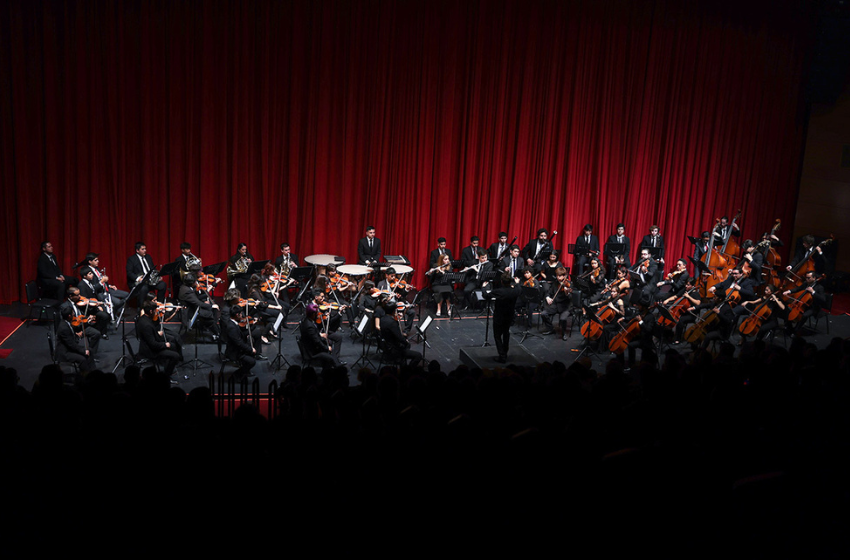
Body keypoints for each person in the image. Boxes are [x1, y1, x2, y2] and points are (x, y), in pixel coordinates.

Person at [137, 299, 184, 377]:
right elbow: (153, 344)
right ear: (151, 311)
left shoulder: (144, 319)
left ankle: (168, 366)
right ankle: (166, 375)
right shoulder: (147, 325)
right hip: (150, 350)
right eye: (155, 310)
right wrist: (165, 345)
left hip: (150, 344)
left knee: (174, 345)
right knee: (175, 355)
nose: (157, 312)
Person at [485, 273, 522, 363]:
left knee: (497, 336)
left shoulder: (499, 291)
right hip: (509, 316)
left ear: (501, 282)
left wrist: (483, 287)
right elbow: (519, 288)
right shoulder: (515, 290)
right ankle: (504, 352)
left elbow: (486, 296)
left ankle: (502, 355)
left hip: (499, 316)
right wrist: (517, 283)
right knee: (506, 333)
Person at [783, 270, 827, 336]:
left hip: (813, 307)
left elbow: (823, 299)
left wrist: (813, 292)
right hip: (802, 305)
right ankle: (789, 328)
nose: (807, 279)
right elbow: (798, 289)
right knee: (787, 309)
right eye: (806, 278)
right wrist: (789, 291)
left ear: (814, 278)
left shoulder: (819, 288)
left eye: (808, 278)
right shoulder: (805, 283)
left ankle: (795, 331)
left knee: (804, 315)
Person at [178, 274, 221, 340]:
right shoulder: (187, 291)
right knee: (209, 313)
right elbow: (198, 303)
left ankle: (213, 330)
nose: (197, 282)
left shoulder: (185, 287)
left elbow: (196, 298)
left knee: (210, 310)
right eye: (195, 281)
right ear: (191, 283)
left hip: (192, 307)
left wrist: (207, 291)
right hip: (190, 312)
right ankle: (216, 333)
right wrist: (212, 306)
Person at [55, 307, 97, 372]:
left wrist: (75, 334)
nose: (74, 314)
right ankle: (85, 375)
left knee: (90, 350)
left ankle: (93, 372)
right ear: (69, 316)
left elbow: (69, 336)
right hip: (65, 352)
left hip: (69, 347)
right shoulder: (64, 328)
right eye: (72, 313)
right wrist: (83, 351)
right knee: (82, 359)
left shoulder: (66, 322)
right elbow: (71, 344)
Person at [300, 303, 341, 369]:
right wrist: (326, 348)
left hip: (312, 346)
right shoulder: (309, 326)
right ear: (313, 314)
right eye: (316, 313)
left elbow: (313, 336)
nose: (318, 314)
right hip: (312, 351)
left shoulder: (307, 321)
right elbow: (317, 341)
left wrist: (320, 335)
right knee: (329, 353)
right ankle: (337, 368)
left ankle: (334, 365)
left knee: (329, 344)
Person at [77, 267, 115, 337]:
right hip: (88, 308)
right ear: (84, 276)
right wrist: (97, 306)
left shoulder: (90, 282)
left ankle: (99, 329)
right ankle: (101, 332)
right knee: (104, 316)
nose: (92, 275)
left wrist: (99, 304)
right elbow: (85, 300)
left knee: (107, 312)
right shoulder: (81, 285)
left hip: (94, 305)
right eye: (90, 274)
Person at [126, 241, 167, 306]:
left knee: (162, 285)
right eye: (143, 249)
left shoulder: (148, 257)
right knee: (143, 288)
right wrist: (138, 278)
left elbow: (153, 269)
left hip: (150, 281)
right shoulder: (132, 259)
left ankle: (158, 305)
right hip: (140, 282)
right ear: (137, 250)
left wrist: (158, 276)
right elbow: (129, 273)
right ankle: (141, 309)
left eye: (145, 249)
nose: (145, 250)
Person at [224, 306, 258, 376]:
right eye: (241, 313)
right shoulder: (231, 327)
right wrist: (250, 349)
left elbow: (240, 335)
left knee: (252, 351)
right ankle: (237, 375)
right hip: (234, 352)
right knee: (252, 362)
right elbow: (239, 343)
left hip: (237, 348)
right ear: (237, 315)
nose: (242, 315)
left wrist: (251, 327)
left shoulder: (234, 323)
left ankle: (245, 371)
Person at [540, 267, 572, 340]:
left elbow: (571, 298)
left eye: (560, 276)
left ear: (564, 276)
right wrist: (548, 297)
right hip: (555, 305)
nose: (558, 277)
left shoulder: (569, 284)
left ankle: (564, 333)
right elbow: (549, 292)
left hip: (565, 307)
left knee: (563, 319)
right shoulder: (555, 283)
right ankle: (551, 329)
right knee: (543, 314)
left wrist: (567, 293)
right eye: (557, 275)